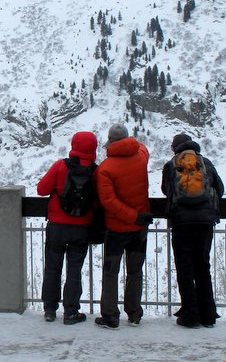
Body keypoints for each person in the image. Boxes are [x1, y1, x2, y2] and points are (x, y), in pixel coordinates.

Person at [161, 133, 224, 328]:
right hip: (205, 223)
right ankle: (208, 314)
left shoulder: (171, 165)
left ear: (175, 148)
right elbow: (219, 188)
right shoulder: (205, 162)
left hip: (181, 222)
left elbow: (166, 189)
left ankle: (190, 314)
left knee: (185, 268)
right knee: (203, 267)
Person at [36, 131, 98, 325]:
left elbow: (41, 189)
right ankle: (71, 311)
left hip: (57, 226)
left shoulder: (61, 166)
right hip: (82, 227)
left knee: (53, 267)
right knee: (74, 269)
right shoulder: (96, 171)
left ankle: (49, 309)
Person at [94, 124, 152, 329]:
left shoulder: (105, 168)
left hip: (117, 229)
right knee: (135, 271)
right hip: (140, 228)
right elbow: (143, 148)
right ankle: (134, 313)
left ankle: (110, 316)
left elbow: (108, 201)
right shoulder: (141, 157)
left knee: (111, 272)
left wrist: (131, 217)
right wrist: (138, 218)